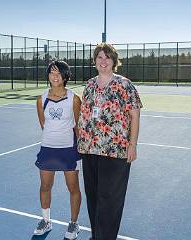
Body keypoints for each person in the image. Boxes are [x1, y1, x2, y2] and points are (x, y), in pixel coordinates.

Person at [77, 43, 142, 240]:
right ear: (95, 61)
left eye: (107, 57)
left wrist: (132, 145)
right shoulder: (89, 85)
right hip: (90, 149)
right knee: (94, 196)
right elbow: (84, 115)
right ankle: (97, 235)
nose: (103, 61)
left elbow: (135, 116)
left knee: (110, 199)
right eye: (99, 57)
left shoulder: (124, 85)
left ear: (114, 61)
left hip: (115, 151)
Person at [33, 60, 82, 240]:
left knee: (73, 187)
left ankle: (74, 224)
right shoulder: (41, 99)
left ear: (65, 76)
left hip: (69, 149)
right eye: (52, 72)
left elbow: (78, 126)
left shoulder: (74, 98)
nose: (55, 76)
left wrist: (79, 148)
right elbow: (43, 124)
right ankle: (46, 221)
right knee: (45, 186)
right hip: (48, 148)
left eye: (59, 73)